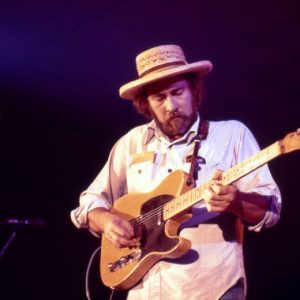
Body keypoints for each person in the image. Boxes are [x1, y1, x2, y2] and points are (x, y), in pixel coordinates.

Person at [71, 45, 281, 299]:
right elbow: (88, 203)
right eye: (159, 98)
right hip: (144, 290)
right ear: (145, 104)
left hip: (211, 288)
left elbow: (270, 210)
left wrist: (236, 202)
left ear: (194, 90)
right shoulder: (131, 143)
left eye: (178, 92)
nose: (171, 105)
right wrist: (105, 220)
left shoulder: (232, 134)